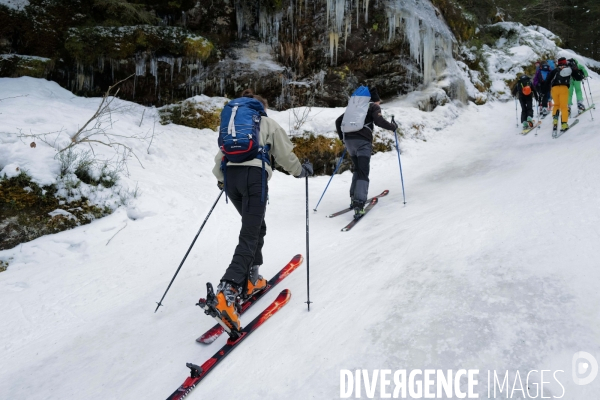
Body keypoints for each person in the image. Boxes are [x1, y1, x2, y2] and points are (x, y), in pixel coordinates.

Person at [210, 89, 313, 332]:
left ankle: (251, 280)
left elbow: (219, 158)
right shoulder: (265, 122)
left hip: (231, 180)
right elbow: (285, 155)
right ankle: (228, 290)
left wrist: (222, 180)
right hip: (254, 179)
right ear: (261, 109)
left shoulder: (233, 127)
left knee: (256, 228)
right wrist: (301, 171)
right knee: (250, 234)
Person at [335, 87, 397, 218]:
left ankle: (353, 199)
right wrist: (393, 127)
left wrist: (343, 139)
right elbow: (379, 121)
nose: (379, 104)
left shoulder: (355, 108)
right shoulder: (373, 107)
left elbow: (338, 121)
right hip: (363, 143)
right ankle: (359, 204)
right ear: (374, 100)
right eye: (379, 101)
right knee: (363, 171)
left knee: (357, 170)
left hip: (350, 142)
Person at [547, 57, 573, 132]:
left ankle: (555, 120)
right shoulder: (568, 70)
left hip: (554, 89)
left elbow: (548, 80)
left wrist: (545, 90)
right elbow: (576, 76)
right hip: (564, 88)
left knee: (556, 105)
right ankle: (564, 124)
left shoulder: (555, 70)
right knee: (564, 107)